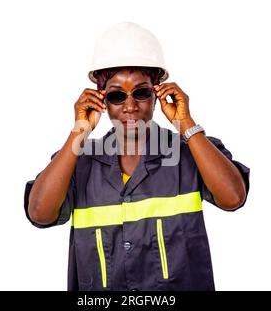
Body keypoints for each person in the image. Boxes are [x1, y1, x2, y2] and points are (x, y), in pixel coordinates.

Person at [24, 22, 250, 291]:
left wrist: (186, 124)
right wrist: (78, 133)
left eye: (141, 93)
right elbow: (39, 213)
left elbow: (233, 198)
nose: (130, 106)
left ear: (157, 94)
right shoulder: (79, 162)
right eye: (117, 95)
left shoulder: (191, 153)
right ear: (101, 100)